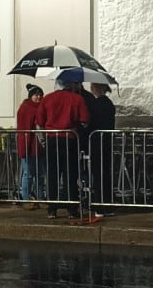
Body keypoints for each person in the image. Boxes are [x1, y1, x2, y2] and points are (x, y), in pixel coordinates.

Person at [38, 77, 89, 218]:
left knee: (52, 175)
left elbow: (40, 121)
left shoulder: (47, 99)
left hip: (51, 139)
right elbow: (85, 120)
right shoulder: (77, 99)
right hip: (70, 139)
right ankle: (71, 208)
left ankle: (52, 209)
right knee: (70, 175)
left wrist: (43, 140)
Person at [85, 80, 117, 217]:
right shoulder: (108, 103)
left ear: (96, 87)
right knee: (105, 174)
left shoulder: (97, 104)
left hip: (97, 142)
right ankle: (108, 205)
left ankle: (99, 205)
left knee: (98, 175)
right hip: (106, 141)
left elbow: (91, 122)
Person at [15, 83, 45, 208]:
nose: (38, 97)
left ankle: (39, 198)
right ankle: (27, 199)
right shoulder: (27, 108)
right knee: (29, 173)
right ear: (31, 96)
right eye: (36, 95)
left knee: (38, 173)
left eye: (40, 95)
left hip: (35, 146)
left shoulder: (30, 107)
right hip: (30, 146)